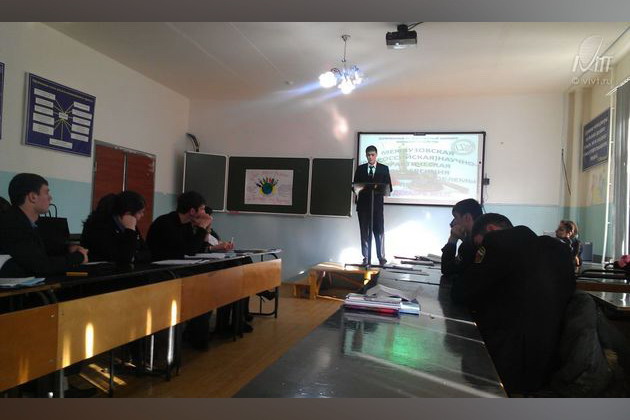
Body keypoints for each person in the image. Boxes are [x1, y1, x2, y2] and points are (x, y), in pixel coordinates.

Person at [464, 213, 576, 395]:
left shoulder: (496, 243)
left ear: (491, 230)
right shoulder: (558, 248)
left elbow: (463, 292)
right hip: (553, 362)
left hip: (508, 364)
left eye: (479, 243)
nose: (480, 248)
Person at [0, 173, 88, 277]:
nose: (50, 198)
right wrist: (79, 257)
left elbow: (41, 250)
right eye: (46, 192)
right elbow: (41, 266)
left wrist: (68, 249)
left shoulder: (25, 222)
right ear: (33, 197)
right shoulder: (13, 225)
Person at [81, 191, 151, 265]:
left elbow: (147, 254)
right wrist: (130, 231)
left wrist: (134, 257)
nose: (142, 215)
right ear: (128, 213)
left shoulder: (130, 225)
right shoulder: (99, 226)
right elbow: (123, 258)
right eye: (140, 212)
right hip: (100, 270)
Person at [353, 145, 392, 265]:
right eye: (368, 155)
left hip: (377, 207)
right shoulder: (360, 169)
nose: (370, 157)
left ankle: (381, 257)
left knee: (379, 232)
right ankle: (366, 257)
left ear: (376, 155)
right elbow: (354, 187)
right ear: (366, 155)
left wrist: (377, 188)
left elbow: (389, 187)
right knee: (364, 232)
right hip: (363, 206)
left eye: (372, 155)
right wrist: (361, 188)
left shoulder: (384, 169)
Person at [441, 198, 483, 302]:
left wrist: (453, 239)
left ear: (467, 217)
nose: (452, 223)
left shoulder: (469, 245)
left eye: (455, 217)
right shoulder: (480, 238)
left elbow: (447, 269)